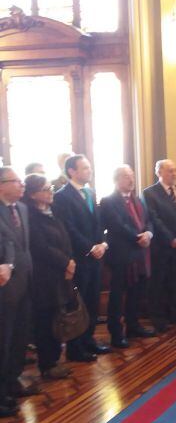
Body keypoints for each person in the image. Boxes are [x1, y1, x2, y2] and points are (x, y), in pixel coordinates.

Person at [52, 155, 110, 362]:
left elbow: (98, 224)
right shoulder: (62, 196)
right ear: (71, 172)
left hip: (95, 257)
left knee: (93, 301)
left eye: (89, 167)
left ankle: (89, 339)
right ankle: (76, 348)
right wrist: (89, 247)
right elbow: (68, 228)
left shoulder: (90, 192)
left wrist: (102, 244)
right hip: (79, 258)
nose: (89, 171)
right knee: (79, 304)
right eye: (84, 168)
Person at [23, 174, 76, 381]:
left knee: (57, 318)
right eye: (46, 189)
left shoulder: (52, 212)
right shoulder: (31, 217)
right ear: (34, 194)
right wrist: (65, 262)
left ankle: (54, 360)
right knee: (45, 321)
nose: (50, 192)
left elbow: (65, 238)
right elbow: (41, 247)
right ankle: (47, 364)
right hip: (44, 277)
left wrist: (70, 261)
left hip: (60, 274)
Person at [100, 166, 156, 348]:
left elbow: (148, 221)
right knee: (117, 296)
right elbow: (117, 224)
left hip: (140, 253)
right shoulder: (108, 201)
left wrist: (148, 234)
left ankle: (133, 326)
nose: (131, 180)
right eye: (126, 176)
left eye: (132, 176)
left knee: (136, 293)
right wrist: (137, 237)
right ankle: (116, 333)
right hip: (121, 255)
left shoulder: (138, 200)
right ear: (116, 180)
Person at [143, 159, 176, 332]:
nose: (174, 174)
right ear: (159, 173)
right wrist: (170, 239)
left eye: (175, 170)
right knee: (158, 283)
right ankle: (158, 318)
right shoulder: (150, 193)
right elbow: (154, 219)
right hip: (161, 247)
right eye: (170, 171)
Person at [0, 167, 35, 417]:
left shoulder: (21, 208)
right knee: (3, 340)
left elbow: (23, 246)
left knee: (19, 337)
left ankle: (12, 382)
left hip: (24, 283)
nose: (22, 185)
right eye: (16, 181)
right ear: (1, 185)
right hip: (4, 285)